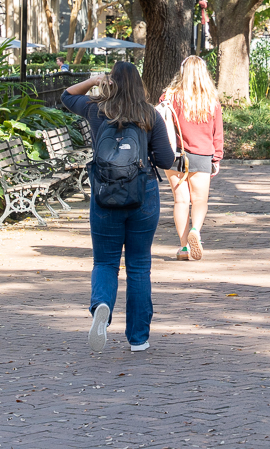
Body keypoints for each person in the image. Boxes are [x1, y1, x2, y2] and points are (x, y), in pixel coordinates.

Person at [63, 62, 174, 353]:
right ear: (139, 84)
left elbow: (66, 95)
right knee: (139, 265)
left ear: (110, 82)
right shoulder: (149, 115)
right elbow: (166, 160)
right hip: (143, 194)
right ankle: (138, 339)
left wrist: (94, 81)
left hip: (105, 193)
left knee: (105, 262)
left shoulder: (96, 109)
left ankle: (101, 304)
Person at [160, 56, 224, 261]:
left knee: (180, 201)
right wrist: (217, 157)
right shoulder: (211, 99)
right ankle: (195, 230)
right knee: (199, 200)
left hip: (174, 155)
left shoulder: (169, 96)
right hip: (202, 154)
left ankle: (183, 247)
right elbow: (217, 132)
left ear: (182, 72)